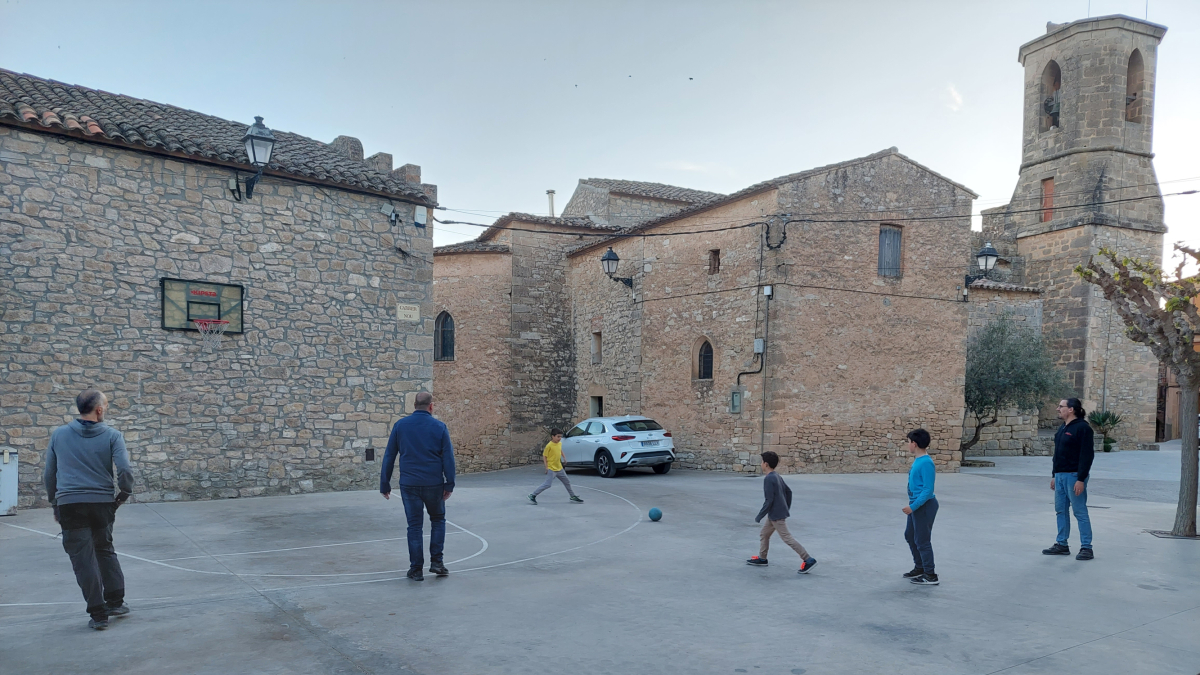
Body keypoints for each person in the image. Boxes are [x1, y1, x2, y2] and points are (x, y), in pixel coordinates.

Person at [44, 389, 135, 630]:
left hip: (69, 504)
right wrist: (124, 493)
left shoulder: (59, 435)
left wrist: (55, 502)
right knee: (104, 549)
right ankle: (115, 601)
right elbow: (125, 469)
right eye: (105, 406)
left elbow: (49, 473)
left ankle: (98, 615)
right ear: (99, 410)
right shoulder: (113, 435)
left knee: (83, 560)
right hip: (102, 503)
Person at [380, 392, 456, 581]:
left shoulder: (400, 426)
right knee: (438, 520)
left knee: (414, 526)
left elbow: (390, 455)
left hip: (410, 484)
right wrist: (450, 483)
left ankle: (416, 569)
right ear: (431, 406)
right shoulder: (439, 427)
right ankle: (437, 562)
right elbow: (448, 458)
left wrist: (385, 484)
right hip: (434, 483)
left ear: (414, 405)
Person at [746, 451, 817, 574]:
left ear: (766, 464)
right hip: (775, 514)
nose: (761, 464)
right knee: (764, 534)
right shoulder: (776, 475)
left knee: (787, 538)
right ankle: (762, 559)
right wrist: (785, 507)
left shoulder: (769, 479)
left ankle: (808, 559)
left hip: (776, 515)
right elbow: (789, 492)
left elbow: (769, 500)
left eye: (762, 462)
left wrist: (759, 515)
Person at [1043, 397, 1095, 560]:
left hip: (1074, 476)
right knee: (1060, 510)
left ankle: (1086, 547)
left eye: (1061, 406)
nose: (1058, 409)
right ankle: (1062, 544)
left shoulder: (1082, 429)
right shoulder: (1061, 428)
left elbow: (1087, 456)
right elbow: (1057, 454)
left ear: (1071, 409)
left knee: (1079, 511)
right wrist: (1054, 475)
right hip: (1059, 476)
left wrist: (1081, 479)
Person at [902, 428, 939, 586]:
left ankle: (930, 574)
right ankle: (920, 567)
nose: (907, 445)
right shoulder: (919, 460)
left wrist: (914, 506)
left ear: (914, 444)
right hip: (916, 506)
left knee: (922, 540)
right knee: (910, 535)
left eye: (908, 442)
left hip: (924, 506)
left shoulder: (926, 463)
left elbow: (928, 490)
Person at [527, 429, 583, 505]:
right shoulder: (549, 446)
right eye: (558, 436)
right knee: (547, 484)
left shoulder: (559, 443)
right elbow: (544, 456)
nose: (559, 438)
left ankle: (572, 496)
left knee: (567, 481)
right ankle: (533, 495)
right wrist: (546, 467)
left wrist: (564, 457)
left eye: (560, 437)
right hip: (552, 469)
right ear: (552, 436)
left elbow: (560, 450)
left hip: (559, 468)